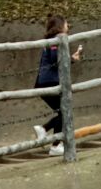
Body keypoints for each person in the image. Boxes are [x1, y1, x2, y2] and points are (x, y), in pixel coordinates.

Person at [32, 14, 83, 155]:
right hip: (48, 83)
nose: (68, 26)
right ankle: (46, 133)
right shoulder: (55, 40)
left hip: (45, 83)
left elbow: (57, 60)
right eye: (66, 23)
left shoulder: (51, 40)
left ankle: (54, 143)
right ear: (60, 26)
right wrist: (70, 58)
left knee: (63, 111)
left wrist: (71, 58)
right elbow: (56, 59)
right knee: (65, 110)